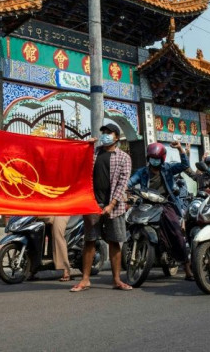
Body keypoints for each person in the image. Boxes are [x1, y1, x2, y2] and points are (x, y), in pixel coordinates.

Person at [71, 123, 132, 292]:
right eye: (103, 132)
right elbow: (78, 162)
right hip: (92, 204)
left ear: (116, 137)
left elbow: (122, 183)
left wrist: (111, 204)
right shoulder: (94, 153)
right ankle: (85, 279)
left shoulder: (124, 157)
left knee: (114, 241)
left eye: (109, 133)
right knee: (89, 241)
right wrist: (86, 146)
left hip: (115, 206)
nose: (105, 135)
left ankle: (117, 279)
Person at [128, 141, 193, 280]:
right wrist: (124, 189)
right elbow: (131, 181)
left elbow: (184, 165)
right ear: (148, 158)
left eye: (157, 158)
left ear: (162, 159)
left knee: (176, 232)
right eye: (152, 158)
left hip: (164, 203)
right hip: (145, 202)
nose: (154, 161)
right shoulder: (142, 172)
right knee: (130, 222)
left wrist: (181, 149)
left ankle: (187, 268)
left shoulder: (168, 169)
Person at [39, 216, 71, 281]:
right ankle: (33, 267)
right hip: (47, 210)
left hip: (62, 211)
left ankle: (65, 269)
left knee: (57, 234)